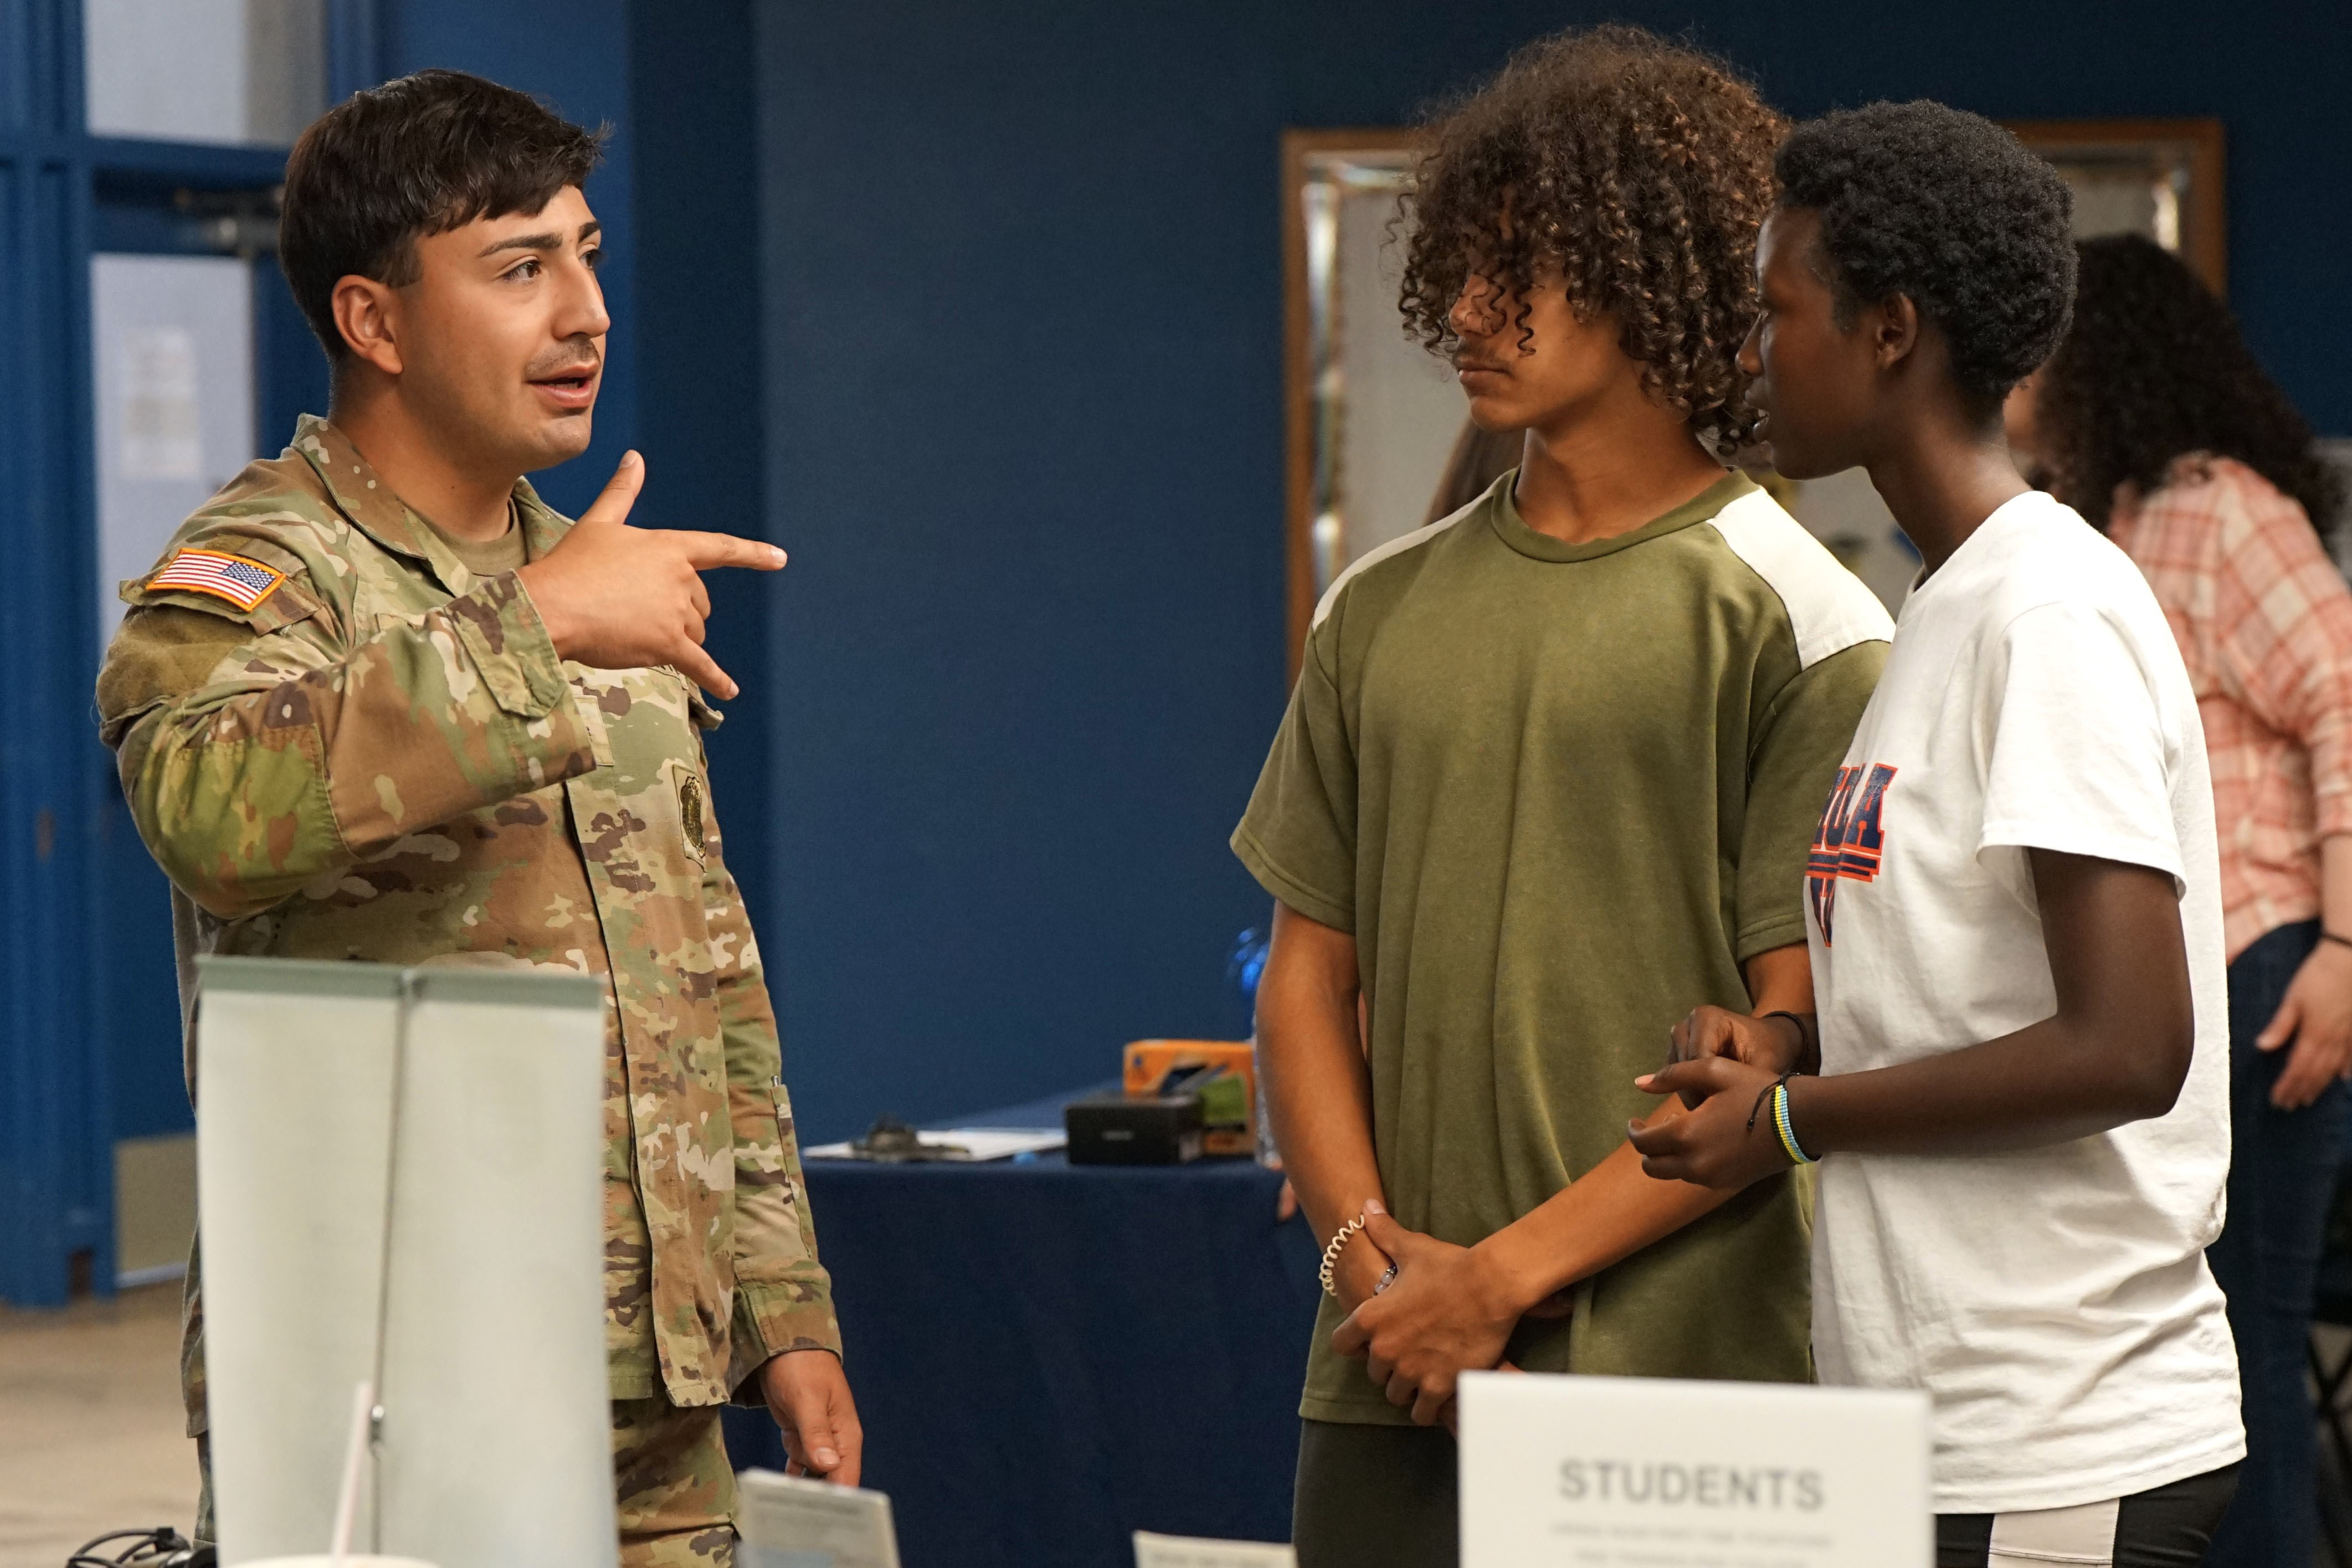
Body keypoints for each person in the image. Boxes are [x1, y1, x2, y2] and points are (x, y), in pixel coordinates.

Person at [94, 71, 856, 1566]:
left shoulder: (593, 578)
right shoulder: (265, 572)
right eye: (521, 268)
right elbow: (210, 811)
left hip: (661, 1391)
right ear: (374, 322)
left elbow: (705, 983)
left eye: (586, 256)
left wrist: (780, 1309)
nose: (585, 313)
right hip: (390, 1400)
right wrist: (532, 633)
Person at [1231, 28, 1892, 1565]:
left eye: (1519, 267)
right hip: (1386, 1375)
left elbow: (1792, 1043)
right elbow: (1303, 980)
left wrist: (1496, 1283)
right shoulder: (1376, 608)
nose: (1464, 311)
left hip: (1694, 1381)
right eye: (1455, 267)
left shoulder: (1796, 615)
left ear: (1654, 268)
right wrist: (1373, 1276)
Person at [1633, 103, 2245, 1566]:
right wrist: (1787, 1050)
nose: (1746, 353)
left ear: (1889, 328)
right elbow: (1965, 997)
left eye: (1773, 313)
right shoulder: (1945, 609)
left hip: (2058, 1430)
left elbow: (2123, 1046)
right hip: (1931, 1423)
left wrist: (1788, 1122)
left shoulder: (2043, 612)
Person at [2006, 233, 2352, 1568]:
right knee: (2193, 1349)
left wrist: (2341, 947)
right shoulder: (2104, 520)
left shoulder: (2213, 505)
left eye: (2040, 341)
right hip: (2189, 993)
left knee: (2241, 1341)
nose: (2012, 368)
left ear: (2105, 354)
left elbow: (2342, 695)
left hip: (2266, 975)